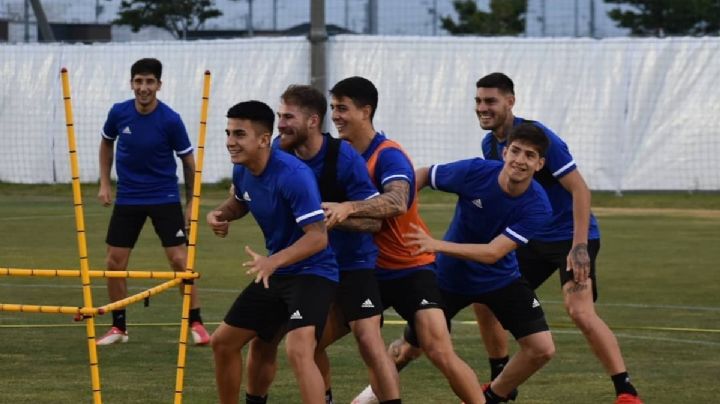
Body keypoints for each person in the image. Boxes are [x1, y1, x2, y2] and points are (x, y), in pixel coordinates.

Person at [354, 123, 557, 404]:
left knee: (542, 348)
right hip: (449, 279)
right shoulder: (474, 171)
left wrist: (436, 245)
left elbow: (493, 253)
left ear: (540, 164)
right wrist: (400, 206)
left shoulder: (539, 205)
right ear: (504, 152)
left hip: (501, 278)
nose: (520, 161)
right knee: (411, 349)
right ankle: (364, 400)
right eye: (515, 151)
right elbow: (423, 175)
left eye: (530, 155)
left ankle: (492, 396)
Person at [472, 72, 642, 404]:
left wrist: (579, 247)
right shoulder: (490, 145)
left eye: (490, 101)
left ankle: (626, 391)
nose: (482, 108)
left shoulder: (540, 138)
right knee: (484, 298)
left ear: (510, 101)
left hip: (571, 237)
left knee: (579, 311)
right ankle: (501, 381)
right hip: (531, 238)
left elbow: (579, 189)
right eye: (478, 101)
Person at [323, 76, 486, 404]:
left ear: (366, 111)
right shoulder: (335, 157)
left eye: (343, 108)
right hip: (364, 271)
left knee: (439, 349)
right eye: (333, 109)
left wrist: (348, 207)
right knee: (314, 342)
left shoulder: (388, 154)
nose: (336, 116)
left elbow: (397, 201)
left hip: (411, 267)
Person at [241, 85, 401, 404]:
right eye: (279, 117)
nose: (281, 125)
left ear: (312, 121)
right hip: (308, 269)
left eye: (287, 117)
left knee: (368, 338)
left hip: (353, 264)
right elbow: (250, 191)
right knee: (296, 344)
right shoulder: (276, 153)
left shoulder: (343, 157)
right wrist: (226, 212)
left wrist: (342, 212)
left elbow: (376, 221)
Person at [207, 100, 339, 404]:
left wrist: (273, 261)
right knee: (223, 343)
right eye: (228, 133)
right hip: (276, 271)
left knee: (298, 350)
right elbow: (241, 202)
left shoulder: (294, 175)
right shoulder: (242, 170)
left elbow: (318, 238)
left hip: (313, 273)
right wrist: (220, 214)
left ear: (264, 140)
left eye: (239, 134)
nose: (230, 142)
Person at [96, 58, 209, 346]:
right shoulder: (118, 113)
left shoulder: (170, 119)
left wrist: (191, 202)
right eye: (138, 81)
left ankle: (195, 322)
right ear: (131, 83)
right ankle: (118, 327)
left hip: (164, 196)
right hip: (128, 198)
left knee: (179, 260)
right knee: (114, 262)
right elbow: (106, 142)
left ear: (159, 85)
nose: (143, 88)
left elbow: (188, 161)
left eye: (149, 82)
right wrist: (105, 183)